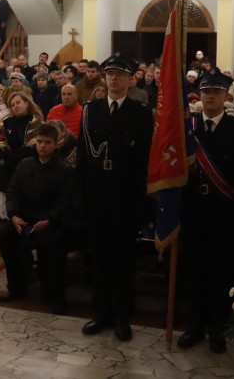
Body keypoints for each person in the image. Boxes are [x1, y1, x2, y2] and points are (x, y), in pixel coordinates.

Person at [178, 70, 234, 354]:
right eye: (206, 91)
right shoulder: (187, 128)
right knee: (194, 272)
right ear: (199, 95)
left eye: (216, 92)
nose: (210, 96)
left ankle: (217, 329)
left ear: (226, 96)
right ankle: (194, 326)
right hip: (193, 211)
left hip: (224, 214)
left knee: (221, 273)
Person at [77, 55, 153, 342]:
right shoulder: (90, 110)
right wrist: (82, 198)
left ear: (130, 79)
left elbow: (143, 161)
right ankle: (101, 312)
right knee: (100, 257)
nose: (113, 78)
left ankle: (122, 315)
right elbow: (83, 157)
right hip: (97, 193)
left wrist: (140, 203)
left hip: (125, 195)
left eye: (120, 74)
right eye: (109, 73)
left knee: (123, 259)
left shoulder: (140, 112)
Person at [0, 122, 76, 314]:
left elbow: (65, 201)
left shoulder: (65, 170)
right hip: (24, 218)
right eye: (39, 141)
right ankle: (16, 287)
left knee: (49, 243)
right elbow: (12, 193)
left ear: (56, 144)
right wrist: (14, 215)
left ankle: (54, 294)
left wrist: (49, 220)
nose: (42, 146)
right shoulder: (25, 164)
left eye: (47, 142)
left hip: (50, 222)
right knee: (4, 236)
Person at [0, 92, 44, 229]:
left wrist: (13, 157)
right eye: (12, 105)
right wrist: (8, 157)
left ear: (27, 103)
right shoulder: (5, 122)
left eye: (18, 102)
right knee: (6, 207)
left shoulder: (36, 122)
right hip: (7, 168)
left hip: (28, 168)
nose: (15, 106)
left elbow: (33, 146)